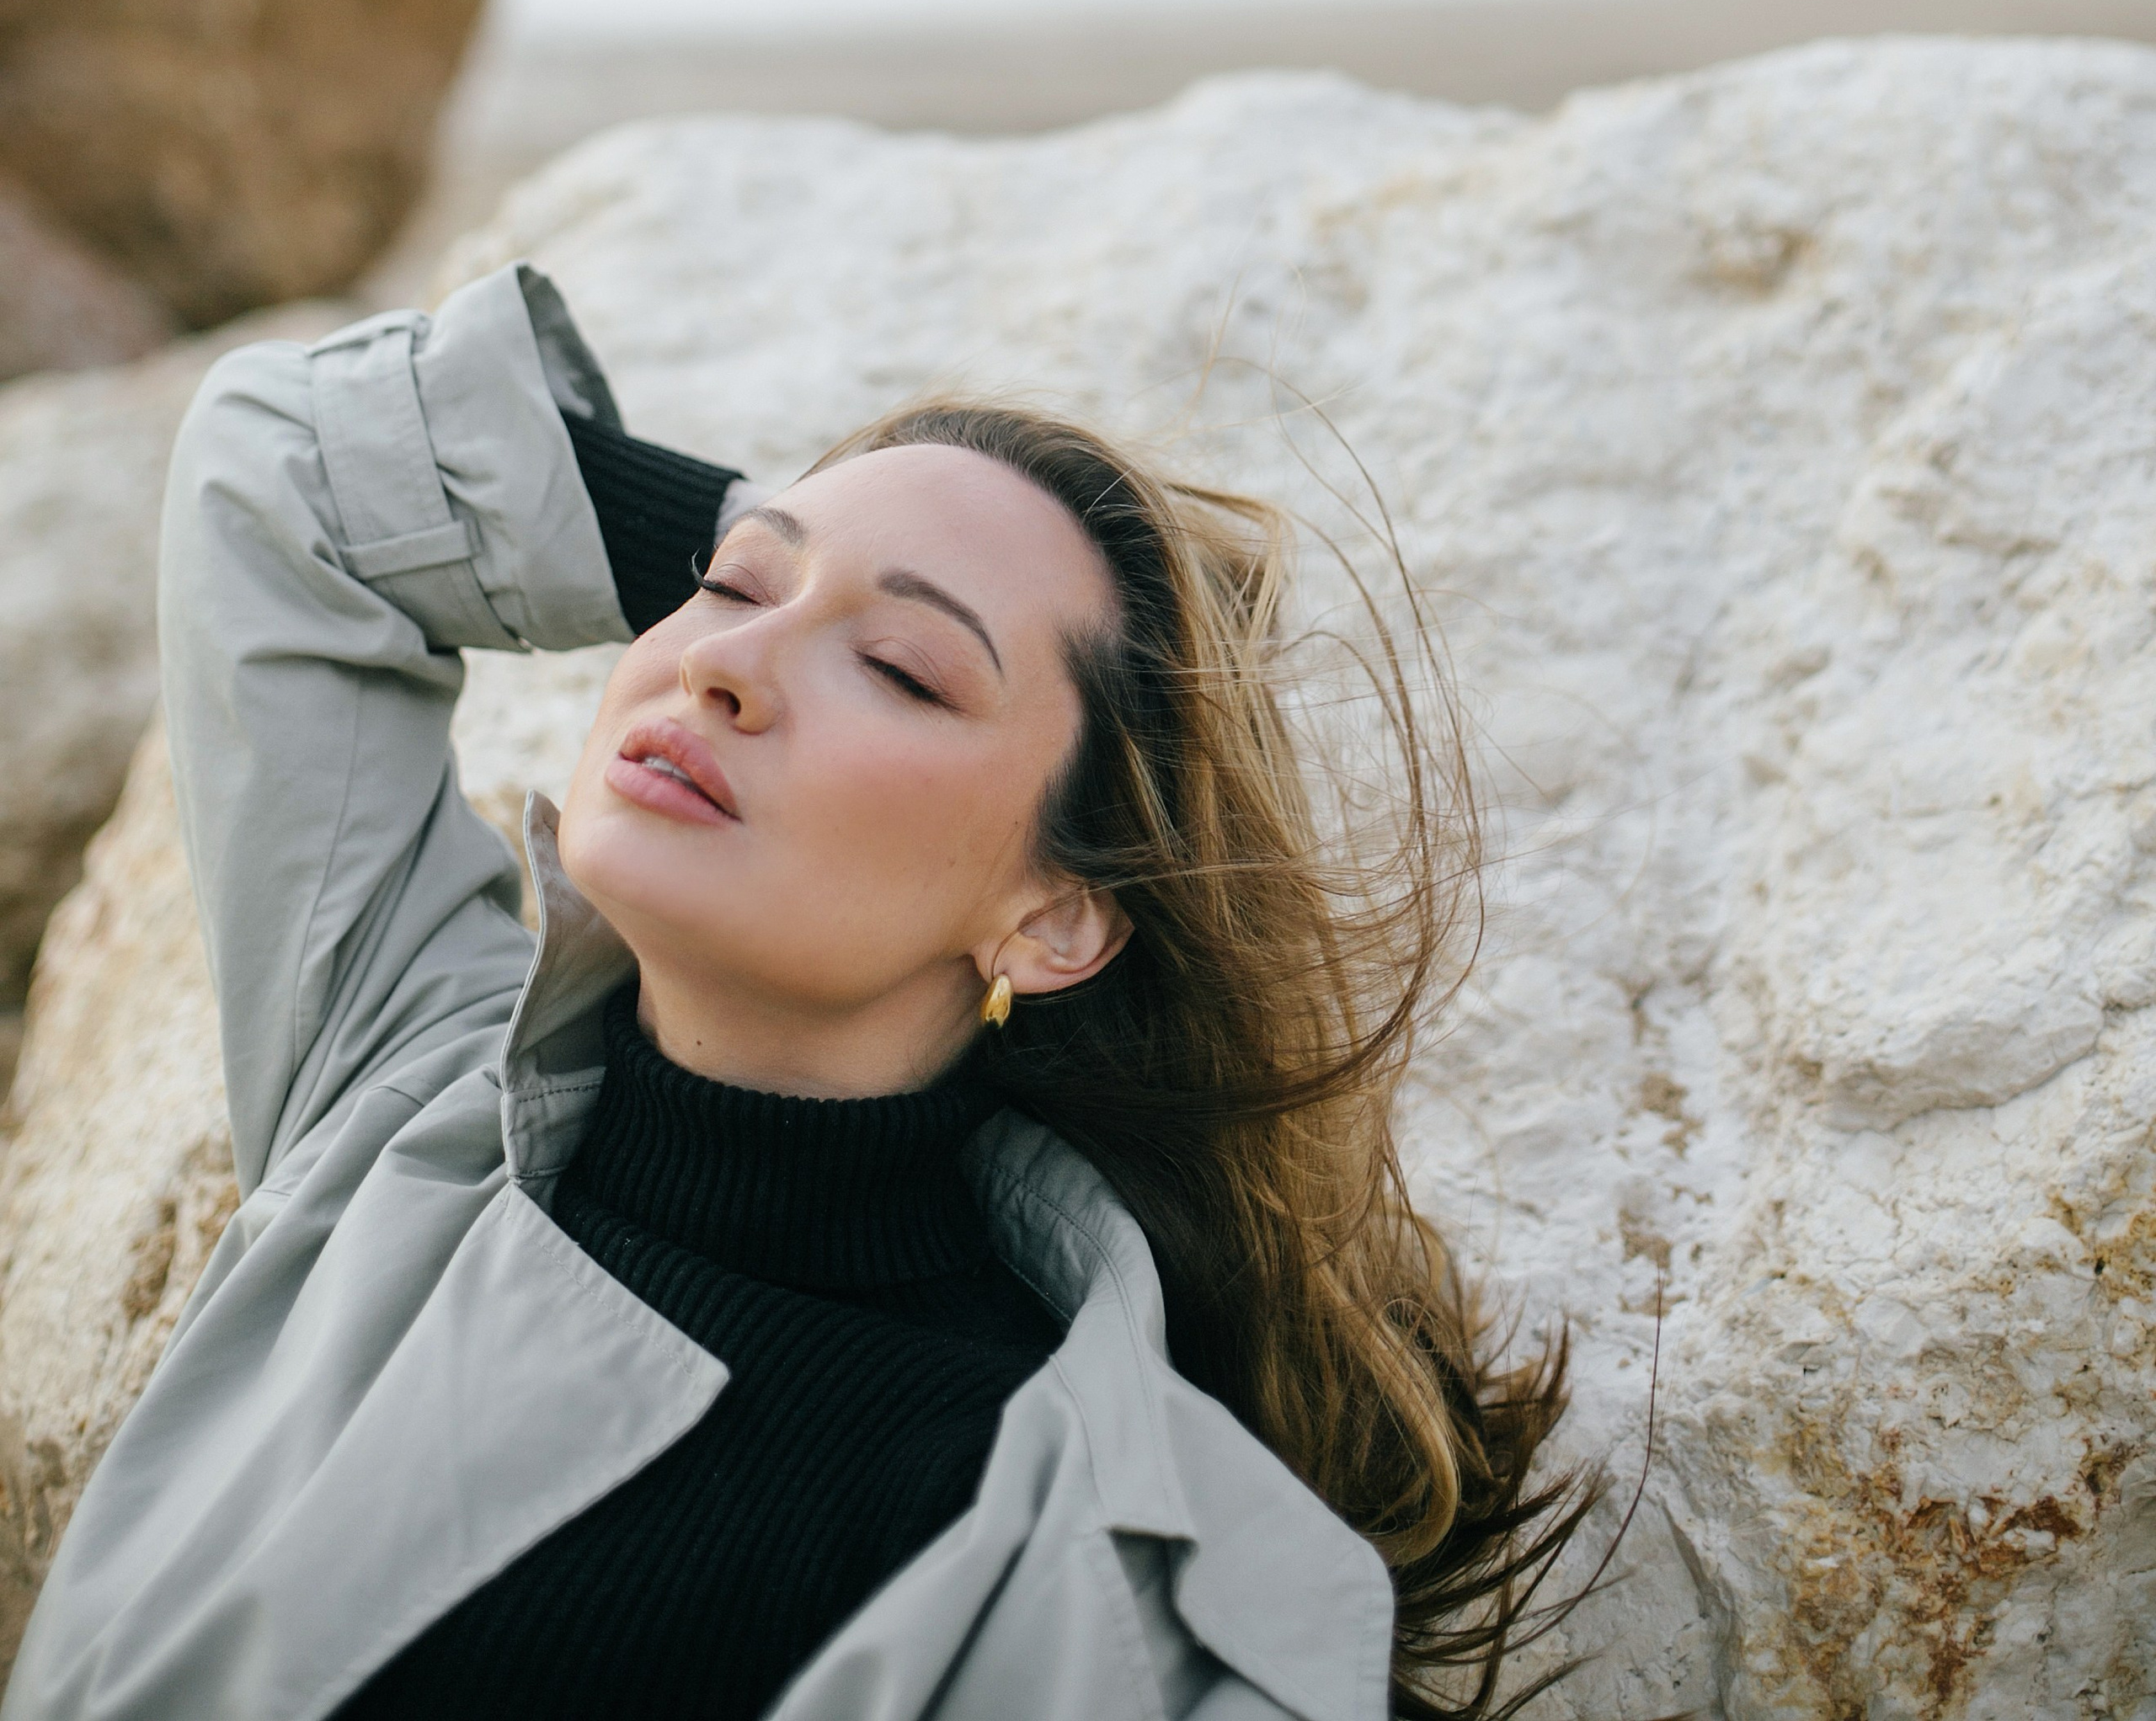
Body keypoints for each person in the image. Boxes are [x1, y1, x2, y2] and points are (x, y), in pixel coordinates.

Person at [3, 262, 1582, 1721]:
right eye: (729, 591)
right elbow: (287, 463)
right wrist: (789, 541)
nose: (721, 666)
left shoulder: (1071, 1565)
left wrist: (797, 557)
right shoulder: (403, 1088)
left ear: (1054, 921)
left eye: (900, 669)